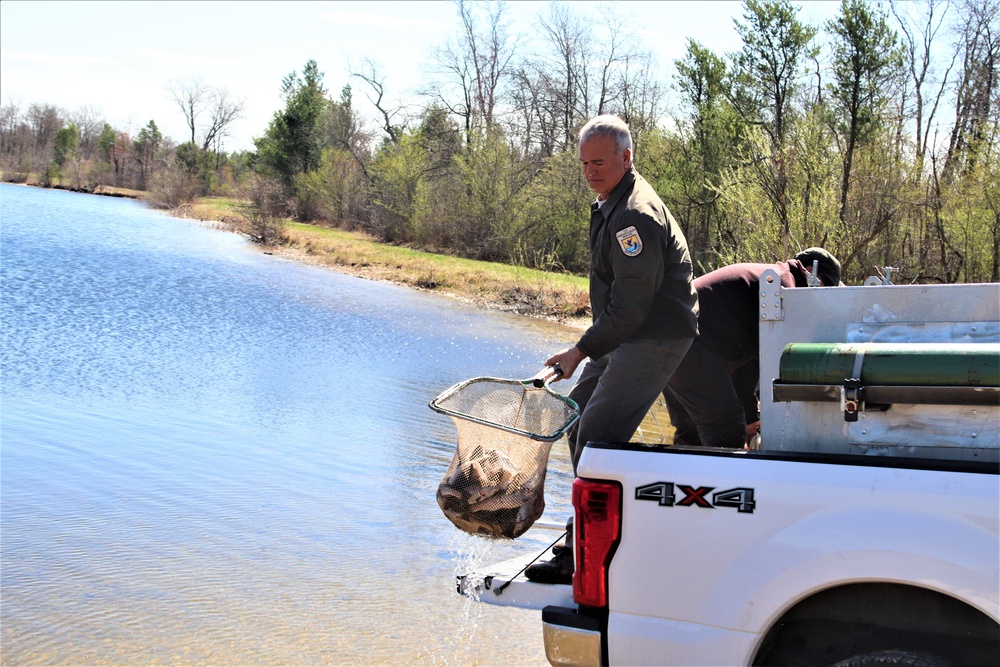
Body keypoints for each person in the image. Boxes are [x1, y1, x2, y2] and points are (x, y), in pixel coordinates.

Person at [525, 115, 699, 584]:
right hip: (627, 332)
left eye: (599, 162)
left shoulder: (634, 214)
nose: (590, 171)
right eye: (584, 163)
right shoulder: (610, 202)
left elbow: (632, 307)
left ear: (627, 157)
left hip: (654, 334)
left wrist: (578, 351)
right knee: (576, 415)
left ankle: (587, 551)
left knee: (598, 436)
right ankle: (602, 531)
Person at [662, 248, 842, 449]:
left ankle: (683, 478)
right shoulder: (783, 286)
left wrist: (749, 416)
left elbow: (746, 359)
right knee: (726, 427)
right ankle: (726, 480)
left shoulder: (771, 277)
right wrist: (749, 417)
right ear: (810, 272)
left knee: (691, 432)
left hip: (667, 337)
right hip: (689, 343)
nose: (822, 297)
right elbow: (765, 357)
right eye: (826, 288)